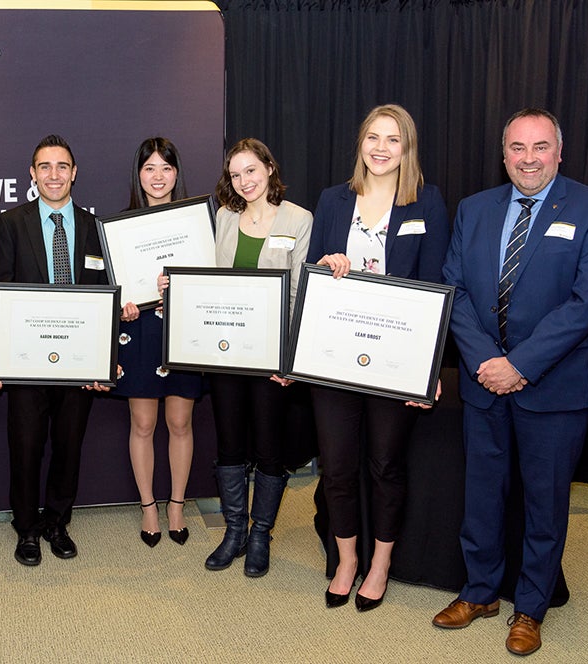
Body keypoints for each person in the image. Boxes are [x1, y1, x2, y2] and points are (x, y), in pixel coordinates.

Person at [431, 108, 588, 656]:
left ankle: (531, 607)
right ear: (504, 153)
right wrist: (488, 360)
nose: (529, 158)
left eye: (540, 147)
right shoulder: (474, 209)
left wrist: (522, 364)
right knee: (482, 495)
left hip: (555, 387)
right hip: (483, 379)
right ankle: (480, 590)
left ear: (559, 152)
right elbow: (454, 290)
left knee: (544, 502)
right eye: (518, 148)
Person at [306, 104, 449, 611]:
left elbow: (437, 287)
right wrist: (324, 266)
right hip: (335, 360)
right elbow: (310, 273)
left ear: (407, 149)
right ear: (360, 144)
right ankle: (346, 559)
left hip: (395, 361)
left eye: (393, 139)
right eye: (373, 137)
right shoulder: (332, 200)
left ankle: (381, 563)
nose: (382, 148)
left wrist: (429, 366)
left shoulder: (426, 203)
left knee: (385, 465)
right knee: (338, 466)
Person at [0, 134, 110, 566]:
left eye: (62, 167)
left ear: (74, 173)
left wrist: (102, 357)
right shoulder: (11, 224)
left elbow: (104, 295)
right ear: (32, 174)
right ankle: (26, 529)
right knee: (26, 448)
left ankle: (57, 522)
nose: (53, 175)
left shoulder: (96, 229)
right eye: (44, 167)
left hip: (77, 364)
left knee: (68, 446)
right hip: (26, 364)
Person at [203, 138, 313, 576]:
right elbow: (209, 279)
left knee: (269, 446)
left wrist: (286, 357)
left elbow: (300, 292)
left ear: (269, 167)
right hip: (226, 352)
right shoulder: (225, 218)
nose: (244, 181)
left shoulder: (298, 219)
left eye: (251, 170)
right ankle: (234, 531)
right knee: (229, 443)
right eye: (235, 174)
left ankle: (261, 533)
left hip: (271, 355)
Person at [114, 137, 203, 548]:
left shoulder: (197, 226)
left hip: (184, 329)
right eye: (149, 168)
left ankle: (177, 505)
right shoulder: (122, 229)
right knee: (144, 424)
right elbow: (113, 291)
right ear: (138, 174)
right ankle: (148, 505)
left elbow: (213, 280)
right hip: (142, 330)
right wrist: (124, 305)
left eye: (165, 168)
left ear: (176, 174)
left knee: (180, 422)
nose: (158, 176)